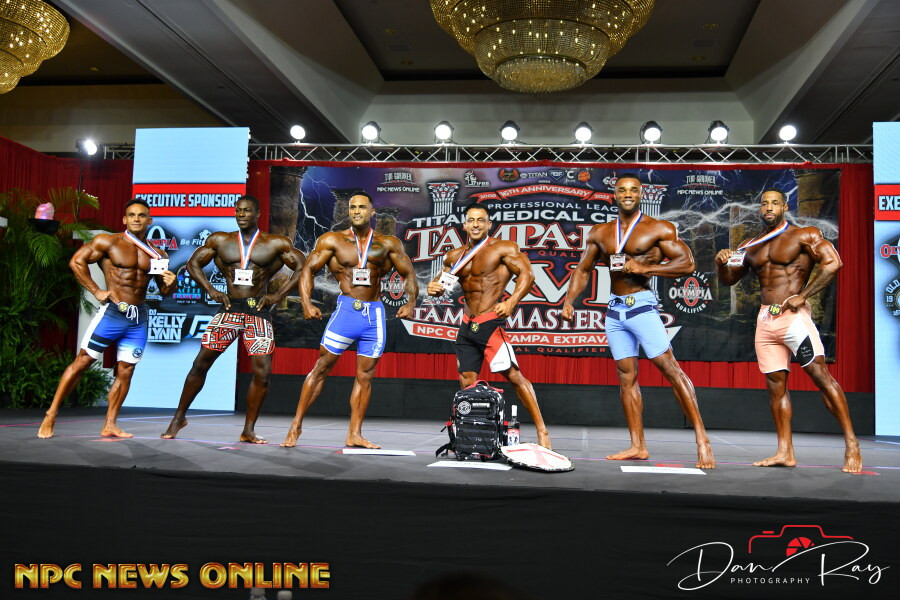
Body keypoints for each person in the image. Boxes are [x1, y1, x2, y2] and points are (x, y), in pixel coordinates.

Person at [562, 173, 715, 469]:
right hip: (615, 311)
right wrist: (569, 300)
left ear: (641, 194)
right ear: (615, 195)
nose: (628, 194)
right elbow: (582, 269)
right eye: (622, 190)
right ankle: (637, 446)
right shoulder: (601, 232)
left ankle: (702, 441)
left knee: (670, 369)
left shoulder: (658, 228)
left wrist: (647, 268)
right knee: (626, 377)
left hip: (642, 307)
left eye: (633, 190)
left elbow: (687, 263)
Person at [715, 188, 861, 472]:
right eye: (764, 204)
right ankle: (785, 452)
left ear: (785, 206)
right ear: (760, 209)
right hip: (765, 320)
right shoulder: (750, 245)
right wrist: (720, 263)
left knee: (820, 375)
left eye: (774, 203)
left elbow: (834, 263)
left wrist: (803, 295)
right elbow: (729, 280)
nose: (768, 207)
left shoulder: (804, 235)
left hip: (793, 318)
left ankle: (852, 443)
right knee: (775, 387)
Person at [161, 195, 305, 443]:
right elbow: (193, 264)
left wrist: (277, 295)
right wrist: (210, 290)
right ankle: (178, 418)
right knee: (200, 364)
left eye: (246, 211)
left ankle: (248, 430)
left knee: (262, 373)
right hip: (229, 310)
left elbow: (303, 266)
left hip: (257, 311)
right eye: (238, 210)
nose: (241, 214)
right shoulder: (220, 240)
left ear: (258, 214)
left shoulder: (275, 243)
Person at [280, 191, 418, 449]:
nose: (356, 211)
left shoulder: (388, 243)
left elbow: (408, 274)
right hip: (346, 312)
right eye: (353, 207)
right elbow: (309, 270)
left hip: (374, 315)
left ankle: (355, 433)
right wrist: (307, 303)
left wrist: (410, 303)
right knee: (321, 368)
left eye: (362, 207)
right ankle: (295, 426)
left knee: (365, 376)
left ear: (372, 212)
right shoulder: (332, 240)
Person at [38, 198, 176, 438]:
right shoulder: (109, 241)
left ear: (149, 220)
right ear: (124, 219)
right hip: (113, 314)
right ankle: (51, 414)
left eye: (141, 215)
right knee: (83, 361)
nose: (136, 219)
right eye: (132, 215)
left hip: (138, 318)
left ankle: (110, 423)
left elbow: (163, 291)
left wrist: (171, 284)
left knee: (126, 370)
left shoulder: (158, 254)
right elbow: (76, 262)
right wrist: (96, 291)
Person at [427, 203, 551, 448]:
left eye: (480, 220)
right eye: (471, 220)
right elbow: (440, 284)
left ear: (488, 224)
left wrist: (512, 301)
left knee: (514, 376)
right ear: (464, 225)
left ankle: (542, 431)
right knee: (467, 382)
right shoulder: (454, 256)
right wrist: (433, 287)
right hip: (466, 325)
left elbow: (527, 275)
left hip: (489, 323)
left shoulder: (503, 248)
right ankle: (471, 437)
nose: (476, 224)